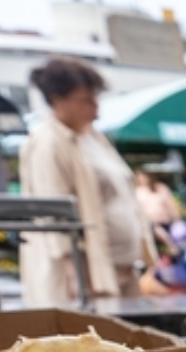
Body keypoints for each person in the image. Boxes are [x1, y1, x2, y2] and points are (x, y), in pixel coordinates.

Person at [18, 58, 161, 304]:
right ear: (56, 100)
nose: (95, 108)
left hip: (122, 266)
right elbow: (54, 214)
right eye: (85, 100)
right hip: (87, 275)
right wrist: (75, 273)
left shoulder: (95, 137)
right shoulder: (48, 142)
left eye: (96, 98)